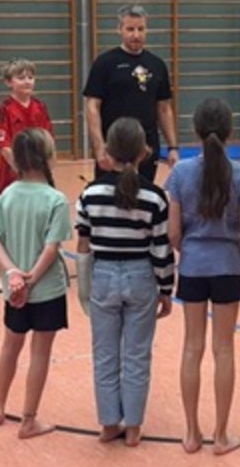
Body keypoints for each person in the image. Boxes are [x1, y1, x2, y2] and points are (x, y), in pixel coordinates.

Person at [167, 99, 240, 454]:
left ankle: (192, 433)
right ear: (230, 131)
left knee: (192, 347)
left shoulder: (180, 174)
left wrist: (190, 251)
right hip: (227, 267)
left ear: (195, 131)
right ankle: (221, 436)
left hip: (193, 266)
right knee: (224, 349)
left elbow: (173, 232)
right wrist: (232, 251)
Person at [74, 117, 175, 445]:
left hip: (103, 275)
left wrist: (85, 289)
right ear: (144, 152)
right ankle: (133, 426)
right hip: (140, 275)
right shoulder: (155, 197)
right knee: (137, 354)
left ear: (108, 151)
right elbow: (161, 248)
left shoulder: (90, 194)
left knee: (104, 354)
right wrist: (166, 289)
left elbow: (83, 244)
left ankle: (108, 423)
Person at [0, 129, 71, 438]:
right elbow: (52, 247)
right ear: (48, 157)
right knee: (40, 352)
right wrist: (32, 276)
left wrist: (13, 273)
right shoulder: (56, 200)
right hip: (47, 290)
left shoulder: (6, 195)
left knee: (10, 345)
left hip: (14, 289)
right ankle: (29, 419)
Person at [83, 4, 176, 184]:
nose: (136, 35)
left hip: (146, 148)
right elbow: (92, 106)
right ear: (119, 29)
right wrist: (99, 146)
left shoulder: (157, 65)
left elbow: (164, 109)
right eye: (130, 29)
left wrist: (173, 147)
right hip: (113, 148)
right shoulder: (104, 63)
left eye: (141, 29)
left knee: (143, 194)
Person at [0, 59, 54, 195]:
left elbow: (49, 140)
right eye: (21, 78)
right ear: (9, 82)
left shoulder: (40, 107)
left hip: (39, 172)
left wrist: (48, 168)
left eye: (30, 77)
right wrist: (22, 170)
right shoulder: (4, 109)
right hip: (13, 173)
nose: (27, 81)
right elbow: (3, 145)